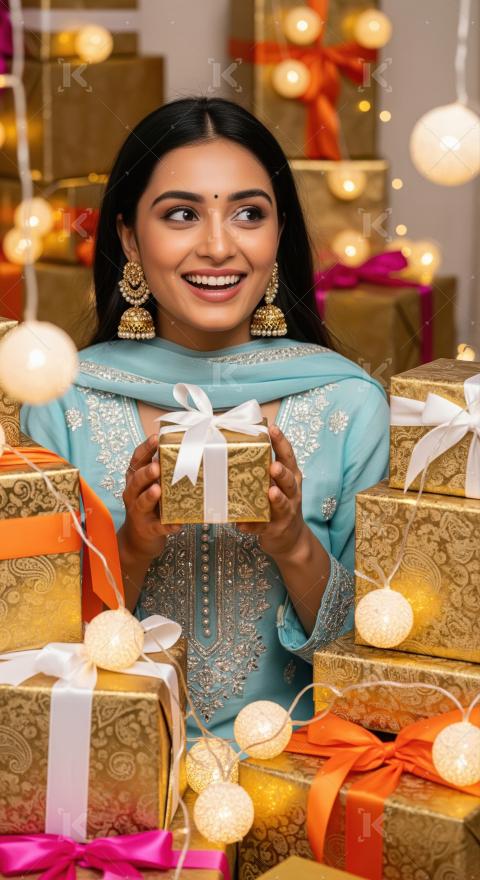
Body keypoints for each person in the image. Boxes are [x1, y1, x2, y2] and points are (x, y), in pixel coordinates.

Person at [21, 96, 389, 741]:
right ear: (130, 237)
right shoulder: (63, 399)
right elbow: (28, 652)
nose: (218, 247)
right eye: (182, 215)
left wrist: (292, 543)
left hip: (302, 772)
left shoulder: (347, 402)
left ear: (278, 237)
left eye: (249, 213)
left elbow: (385, 651)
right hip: (113, 773)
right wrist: (132, 545)